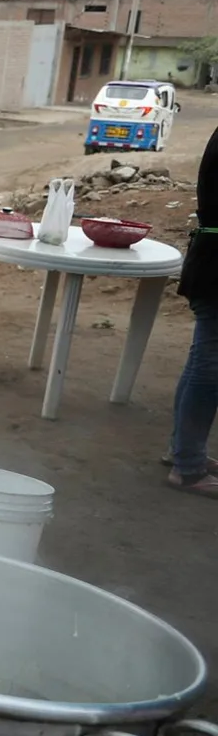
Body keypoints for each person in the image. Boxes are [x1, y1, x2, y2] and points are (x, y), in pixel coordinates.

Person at [166, 122, 218, 496]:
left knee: (202, 360)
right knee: (209, 368)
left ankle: (184, 451)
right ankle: (188, 467)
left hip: (210, 259)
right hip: (216, 265)